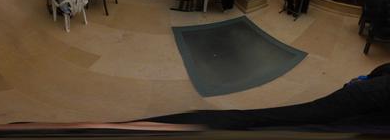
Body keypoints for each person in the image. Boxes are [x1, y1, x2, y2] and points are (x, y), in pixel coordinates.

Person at [142, 63, 390, 130]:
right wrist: (367, 80)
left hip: (370, 96)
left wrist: (368, 79)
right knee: (300, 118)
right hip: (368, 95)